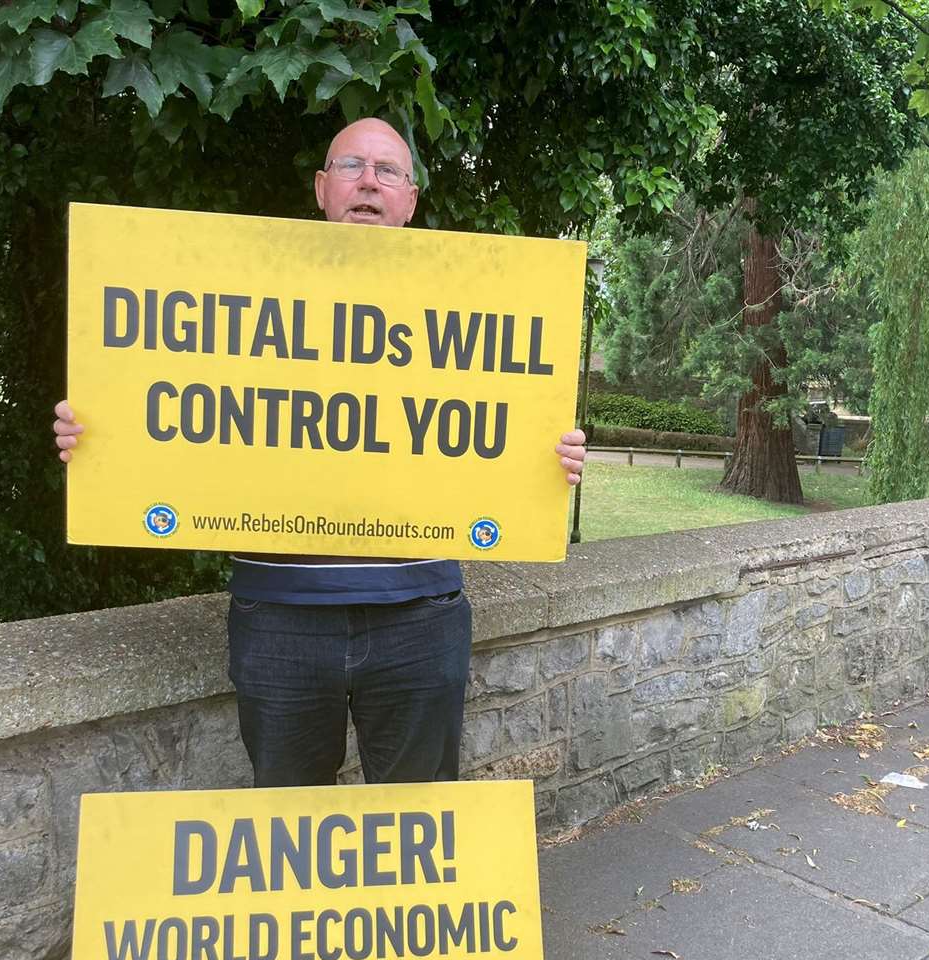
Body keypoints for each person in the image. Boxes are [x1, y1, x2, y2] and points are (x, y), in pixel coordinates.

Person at [54, 118, 587, 787]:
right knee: (286, 823)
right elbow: (170, 398)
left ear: (411, 199)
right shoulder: (242, 285)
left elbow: (507, 425)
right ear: (321, 187)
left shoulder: (475, 301)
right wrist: (101, 435)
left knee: (417, 819)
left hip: (419, 614)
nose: (368, 182)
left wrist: (551, 456)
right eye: (351, 166)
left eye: (387, 170)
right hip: (279, 613)